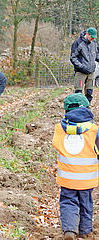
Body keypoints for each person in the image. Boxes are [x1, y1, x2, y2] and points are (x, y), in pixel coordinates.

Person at [52, 93, 99, 239]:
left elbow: (56, 145)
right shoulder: (95, 131)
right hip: (87, 179)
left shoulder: (59, 128)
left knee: (68, 202)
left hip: (67, 178)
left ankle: (69, 229)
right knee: (86, 203)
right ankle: (85, 232)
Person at [70, 27, 99, 103]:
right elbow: (73, 58)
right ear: (87, 34)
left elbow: (97, 55)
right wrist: (81, 67)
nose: (93, 39)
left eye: (94, 37)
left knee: (89, 92)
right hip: (80, 72)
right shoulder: (78, 43)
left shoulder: (94, 43)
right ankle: (78, 109)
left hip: (91, 72)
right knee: (78, 93)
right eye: (92, 37)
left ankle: (87, 108)